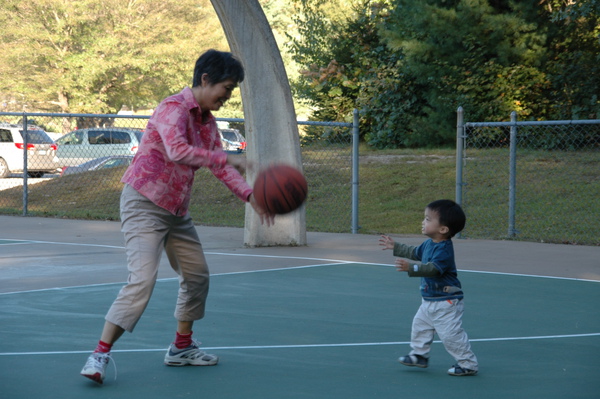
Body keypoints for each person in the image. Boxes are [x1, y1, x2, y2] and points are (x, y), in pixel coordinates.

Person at [80, 49, 275, 385]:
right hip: (143, 204)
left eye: (231, 91)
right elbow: (178, 151)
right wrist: (229, 157)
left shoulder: (208, 123)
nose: (227, 97)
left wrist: (249, 195)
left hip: (176, 212)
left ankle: (181, 348)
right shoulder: (172, 108)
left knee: (197, 276)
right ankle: (99, 354)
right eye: (226, 88)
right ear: (205, 79)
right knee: (142, 280)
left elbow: (217, 166)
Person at [379, 199, 478, 376]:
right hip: (430, 299)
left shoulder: (444, 250)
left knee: (450, 335)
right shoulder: (429, 244)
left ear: (443, 229)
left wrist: (411, 268)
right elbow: (415, 253)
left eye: (427, 219)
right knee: (420, 326)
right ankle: (419, 355)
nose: (423, 222)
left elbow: (433, 270)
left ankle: (468, 364)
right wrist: (396, 247)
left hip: (446, 301)